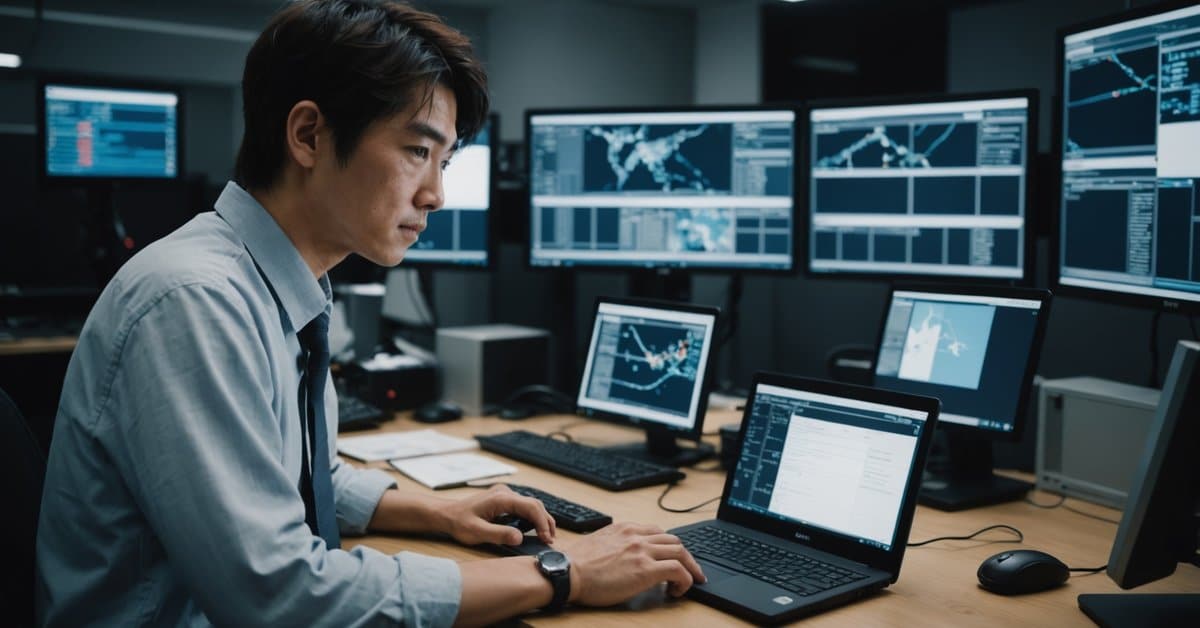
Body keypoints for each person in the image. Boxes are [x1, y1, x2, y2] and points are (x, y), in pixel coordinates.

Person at [34, 1, 705, 626]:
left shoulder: (279, 286)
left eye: (444, 161)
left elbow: (305, 475)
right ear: (308, 135)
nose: (436, 194)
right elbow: (280, 595)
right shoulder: (195, 301)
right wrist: (563, 573)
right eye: (418, 151)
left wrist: (437, 511)